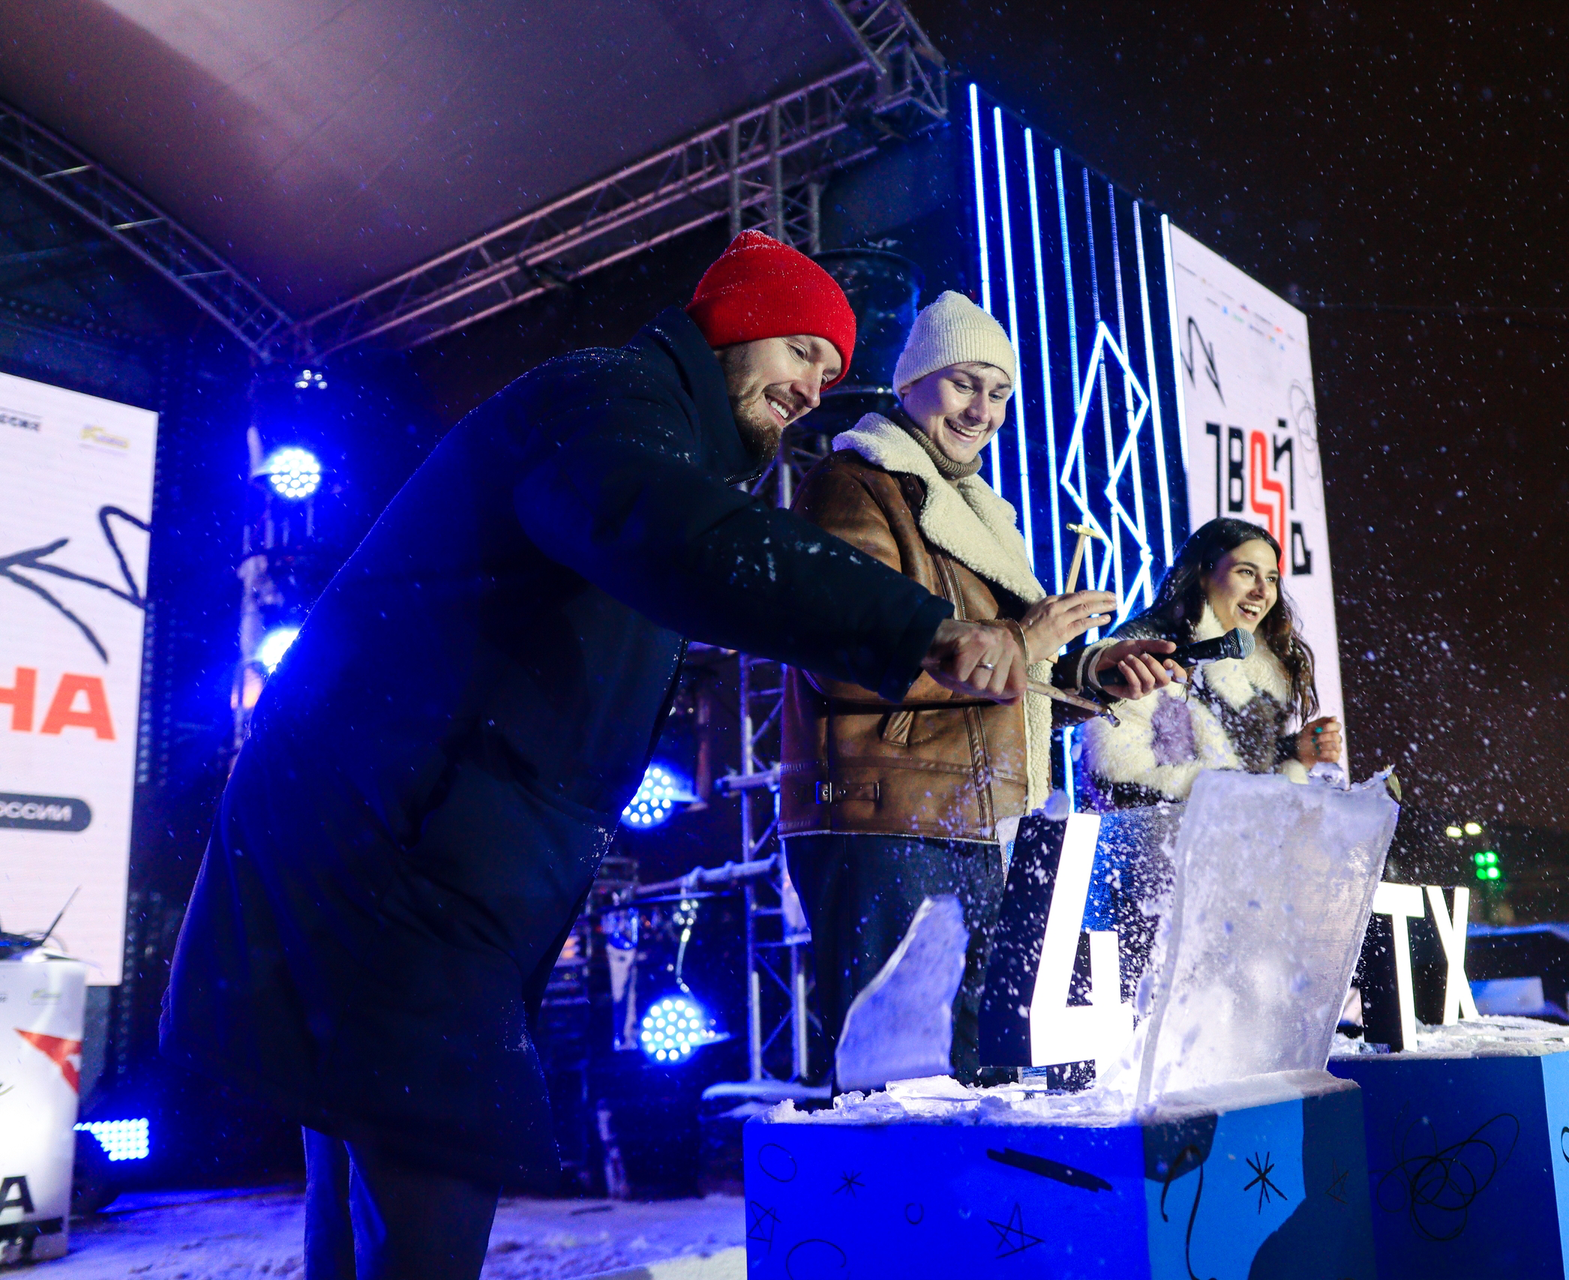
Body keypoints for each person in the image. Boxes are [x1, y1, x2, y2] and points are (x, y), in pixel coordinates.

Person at [160, 233, 1030, 1280]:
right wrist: (916, 626)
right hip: (393, 839)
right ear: (733, 327)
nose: (813, 387)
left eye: (832, 369)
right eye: (801, 350)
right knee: (434, 1141)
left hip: (401, 830)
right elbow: (661, 526)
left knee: (376, 1160)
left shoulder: (655, 439)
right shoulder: (608, 402)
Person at [778, 290, 1179, 1086]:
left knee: (975, 1084)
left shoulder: (980, 514)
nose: (982, 410)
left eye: (999, 393)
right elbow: (845, 655)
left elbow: (993, 681)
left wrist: (1087, 674)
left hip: (977, 823)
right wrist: (1025, 642)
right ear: (912, 383)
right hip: (887, 823)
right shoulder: (854, 484)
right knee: (898, 1088)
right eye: (963, 383)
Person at [1075, 517, 1342, 990]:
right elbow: (1113, 775)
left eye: (1272, 578)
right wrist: (1230, 797)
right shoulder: (1148, 649)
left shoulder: (1259, 679)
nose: (1263, 591)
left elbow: (1237, 769)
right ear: (1202, 572)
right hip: (1148, 893)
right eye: (1246, 572)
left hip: (1234, 891)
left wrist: (1293, 753)